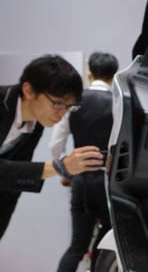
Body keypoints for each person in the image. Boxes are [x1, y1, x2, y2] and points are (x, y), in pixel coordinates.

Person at [1, 55, 103, 243]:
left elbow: (12, 183)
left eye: (68, 107)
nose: (62, 113)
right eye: (58, 104)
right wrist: (59, 167)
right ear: (29, 90)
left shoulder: (36, 122)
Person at [48, 52, 119, 272]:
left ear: (89, 73)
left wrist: (67, 172)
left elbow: (56, 145)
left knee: (77, 245)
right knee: (112, 240)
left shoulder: (75, 103)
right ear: (114, 75)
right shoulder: (118, 101)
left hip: (81, 180)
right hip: (107, 181)